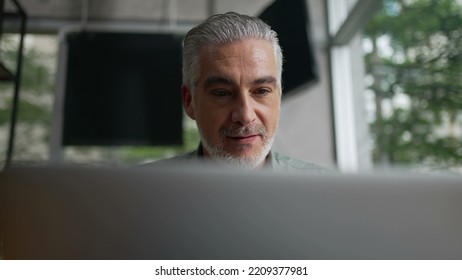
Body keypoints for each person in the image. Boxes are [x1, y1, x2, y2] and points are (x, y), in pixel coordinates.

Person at [148, 12, 328, 173]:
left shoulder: (327, 194)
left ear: (278, 98)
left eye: (262, 91)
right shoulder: (139, 195)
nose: (245, 116)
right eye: (222, 93)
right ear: (189, 102)